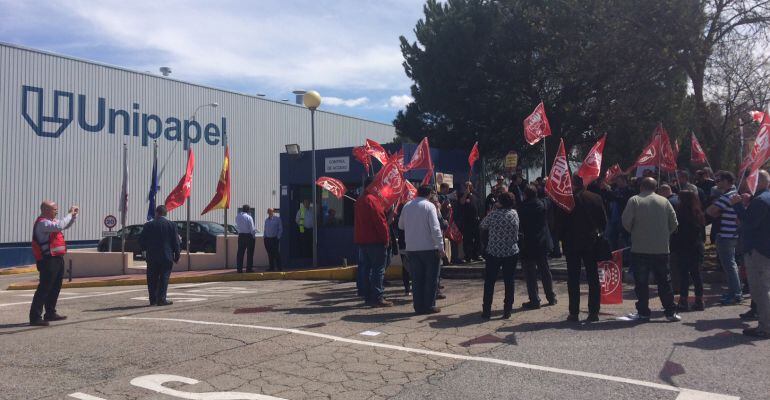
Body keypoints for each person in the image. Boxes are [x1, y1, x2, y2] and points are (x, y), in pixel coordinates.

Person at [621, 177, 681, 322]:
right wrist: (664, 234)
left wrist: (635, 231)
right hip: (661, 248)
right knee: (664, 282)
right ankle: (670, 311)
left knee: (641, 283)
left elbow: (626, 222)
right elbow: (674, 224)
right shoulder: (664, 201)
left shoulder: (634, 200)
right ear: (656, 188)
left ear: (641, 186)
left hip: (640, 248)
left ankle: (643, 312)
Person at [553, 175, 606, 322]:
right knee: (593, 277)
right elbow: (603, 221)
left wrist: (559, 240)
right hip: (591, 242)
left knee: (573, 278)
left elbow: (559, 224)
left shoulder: (566, 200)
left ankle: (574, 312)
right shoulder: (595, 198)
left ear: (572, 185)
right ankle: (594, 312)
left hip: (571, 243)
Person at [731, 170, 770, 338]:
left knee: (760, 290)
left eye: (750, 181)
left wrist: (737, 206)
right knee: (763, 288)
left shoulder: (761, 200)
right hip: (763, 248)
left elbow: (749, 223)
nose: (747, 185)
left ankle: (765, 327)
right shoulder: (763, 198)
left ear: (758, 181)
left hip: (758, 250)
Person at [29, 200, 78, 326]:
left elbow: (65, 225)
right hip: (48, 260)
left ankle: (50, 312)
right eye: (54, 209)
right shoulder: (42, 223)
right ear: (46, 210)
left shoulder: (51, 222)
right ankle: (35, 317)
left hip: (57, 258)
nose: (57, 211)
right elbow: (60, 226)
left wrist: (73, 217)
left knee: (55, 286)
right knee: (44, 288)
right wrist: (69, 214)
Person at [399, 185, 445, 315]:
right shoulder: (429, 206)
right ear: (430, 194)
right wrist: (441, 247)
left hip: (412, 248)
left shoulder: (407, 205)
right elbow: (436, 229)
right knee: (431, 279)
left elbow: (400, 225)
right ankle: (429, 305)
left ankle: (418, 306)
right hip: (429, 248)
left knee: (417, 279)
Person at [479, 192, 520, 319]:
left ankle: (486, 310)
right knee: (509, 281)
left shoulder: (493, 214)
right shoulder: (514, 214)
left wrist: (493, 209)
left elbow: (482, 225)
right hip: (510, 251)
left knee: (490, 281)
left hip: (494, 251)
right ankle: (507, 310)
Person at [706, 171, 743, 305]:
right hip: (733, 234)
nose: (717, 183)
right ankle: (736, 291)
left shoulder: (727, 196)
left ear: (727, 181)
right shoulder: (735, 195)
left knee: (729, 266)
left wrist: (718, 211)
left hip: (726, 235)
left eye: (719, 180)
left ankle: (735, 293)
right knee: (732, 265)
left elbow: (709, 210)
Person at [518, 185, 556, 309]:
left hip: (528, 244)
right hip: (542, 243)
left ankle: (534, 299)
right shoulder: (542, 204)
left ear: (526, 195)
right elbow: (549, 199)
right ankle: (551, 297)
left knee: (530, 274)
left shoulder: (522, 208)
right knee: (545, 271)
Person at [354, 185, 392, 307]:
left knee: (366, 269)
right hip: (375, 241)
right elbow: (380, 221)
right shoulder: (372, 200)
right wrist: (386, 239)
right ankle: (377, 297)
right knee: (378, 269)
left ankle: (368, 296)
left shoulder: (360, 200)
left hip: (363, 240)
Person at [671, 191, 706, 311]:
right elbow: (702, 233)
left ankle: (684, 300)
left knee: (684, 275)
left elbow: (676, 233)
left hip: (683, 247)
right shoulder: (698, 213)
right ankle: (699, 300)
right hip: (696, 246)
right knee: (697, 275)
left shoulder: (679, 214)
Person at [140, 205, 181, 307]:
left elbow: (141, 241)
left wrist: (145, 250)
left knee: (151, 278)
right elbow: (176, 242)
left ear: (156, 213)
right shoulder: (171, 225)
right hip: (167, 256)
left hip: (152, 256)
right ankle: (162, 299)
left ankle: (153, 300)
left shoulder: (148, 225)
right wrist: (177, 255)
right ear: (165, 213)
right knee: (164, 278)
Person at [458, 181, 482, 263]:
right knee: (468, 239)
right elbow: (462, 202)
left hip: (476, 220)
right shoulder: (462, 194)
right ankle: (468, 256)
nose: (469, 187)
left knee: (478, 238)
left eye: (470, 186)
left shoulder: (474, 195)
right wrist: (465, 193)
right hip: (467, 221)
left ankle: (477, 255)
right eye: (467, 186)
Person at [235, 205, 257, 273]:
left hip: (241, 236)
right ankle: (249, 269)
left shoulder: (237, 216)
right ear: (248, 210)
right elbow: (252, 229)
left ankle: (239, 269)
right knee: (250, 253)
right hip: (248, 236)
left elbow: (237, 225)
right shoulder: (249, 217)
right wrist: (253, 236)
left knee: (240, 253)